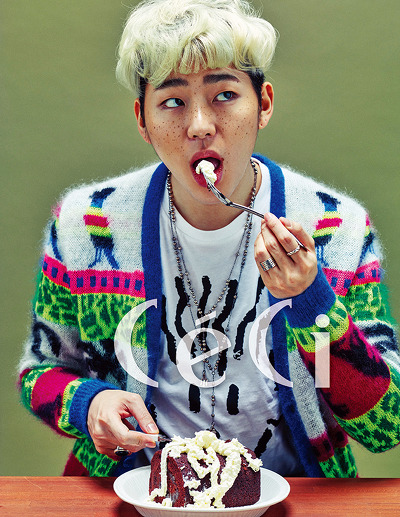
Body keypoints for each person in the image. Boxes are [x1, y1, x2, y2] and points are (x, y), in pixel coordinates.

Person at [18, 0, 400, 478]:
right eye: (172, 102)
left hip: (294, 494)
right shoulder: (86, 225)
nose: (200, 125)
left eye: (224, 95)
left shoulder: (337, 229)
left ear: (263, 104)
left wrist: (311, 299)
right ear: (143, 121)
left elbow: (388, 425)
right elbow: (39, 373)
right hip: (130, 491)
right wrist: (90, 405)